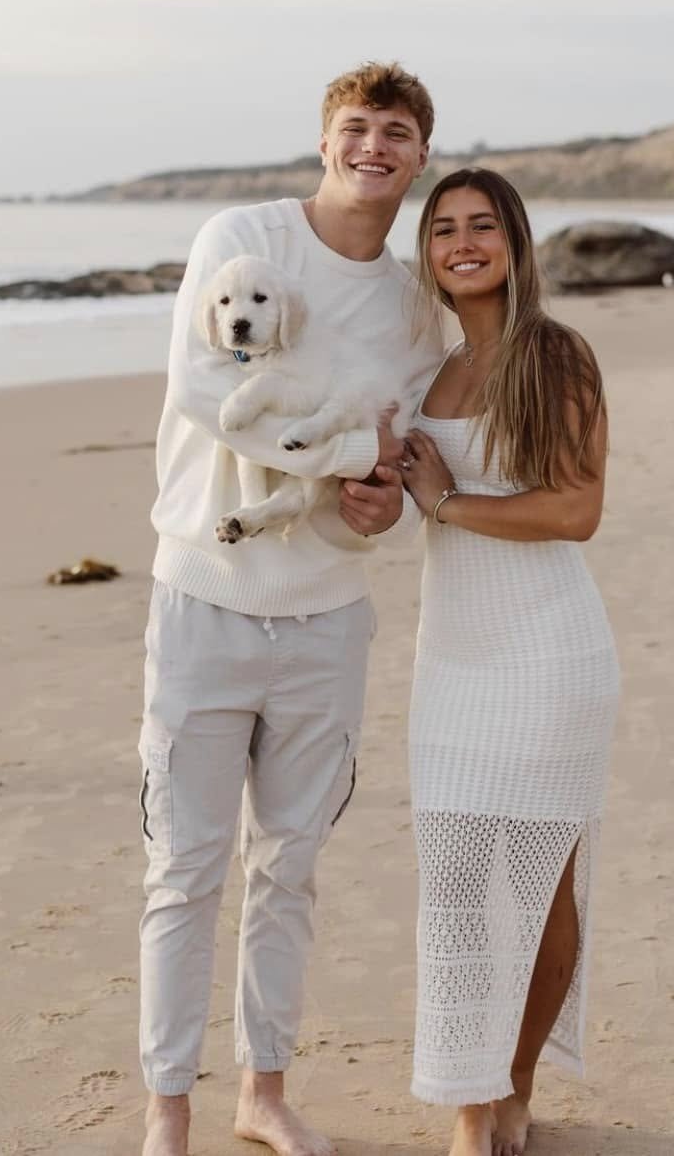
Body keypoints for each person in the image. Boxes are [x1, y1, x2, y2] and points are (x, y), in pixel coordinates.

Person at [138, 63, 445, 1156]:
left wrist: (375, 496)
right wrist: (344, 450)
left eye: (396, 131)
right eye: (356, 126)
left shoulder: (416, 311)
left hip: (326, 617)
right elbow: (202, 391)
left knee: (290, 866)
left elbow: (393, 478)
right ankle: (166, 1109)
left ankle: (262, 1092)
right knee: (185, 864)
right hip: (203, 598)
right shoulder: (241, 237)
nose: (374, 146)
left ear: (418, 157)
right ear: (324, 140)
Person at [399, 168, 620, 1156]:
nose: (463, 242)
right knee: (451, 885)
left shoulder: (555, 354)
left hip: (548, 653)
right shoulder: (430, 371)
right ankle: (468, 1095)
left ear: (515, 241)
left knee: (533, 881)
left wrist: (448, 504)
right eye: (444, 228)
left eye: (482, 224)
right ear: (430, 255)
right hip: (450, 657)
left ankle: (511, 1088)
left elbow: (576, 509)